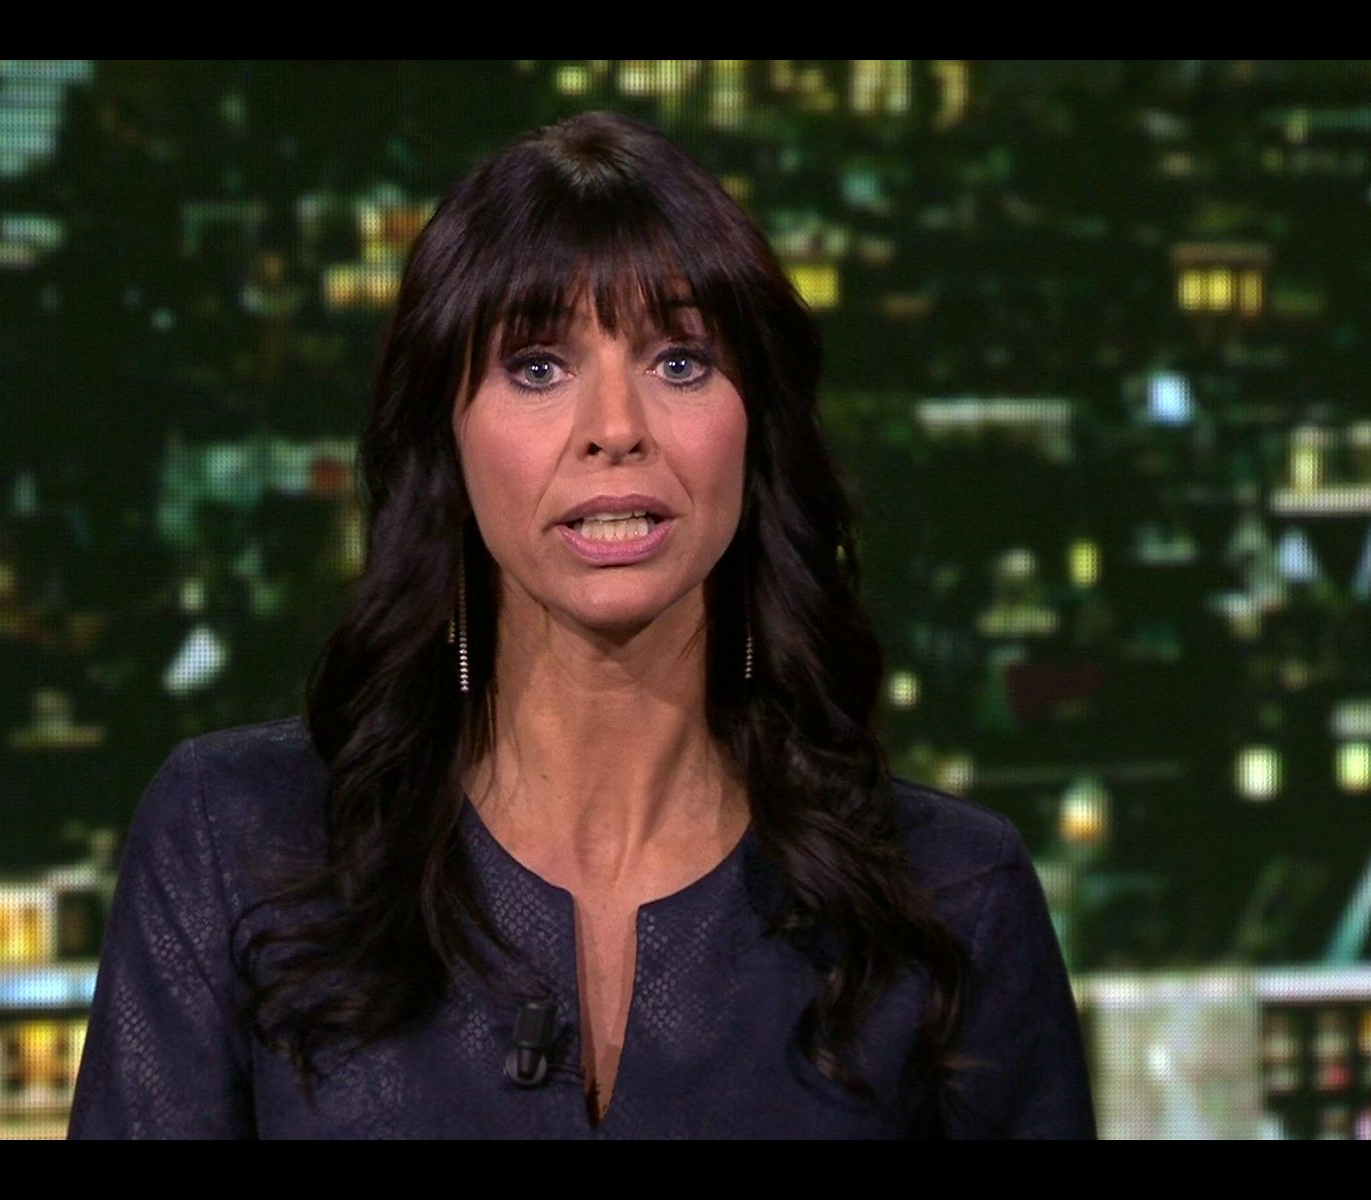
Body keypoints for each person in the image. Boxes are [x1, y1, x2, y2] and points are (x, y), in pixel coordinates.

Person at [68, 109, 1097, 1139]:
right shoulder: (236, 846)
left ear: (757, 430)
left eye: (680, 362)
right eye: (538, 367)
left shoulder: (952, 900)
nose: (615, 429)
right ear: (446, 436)